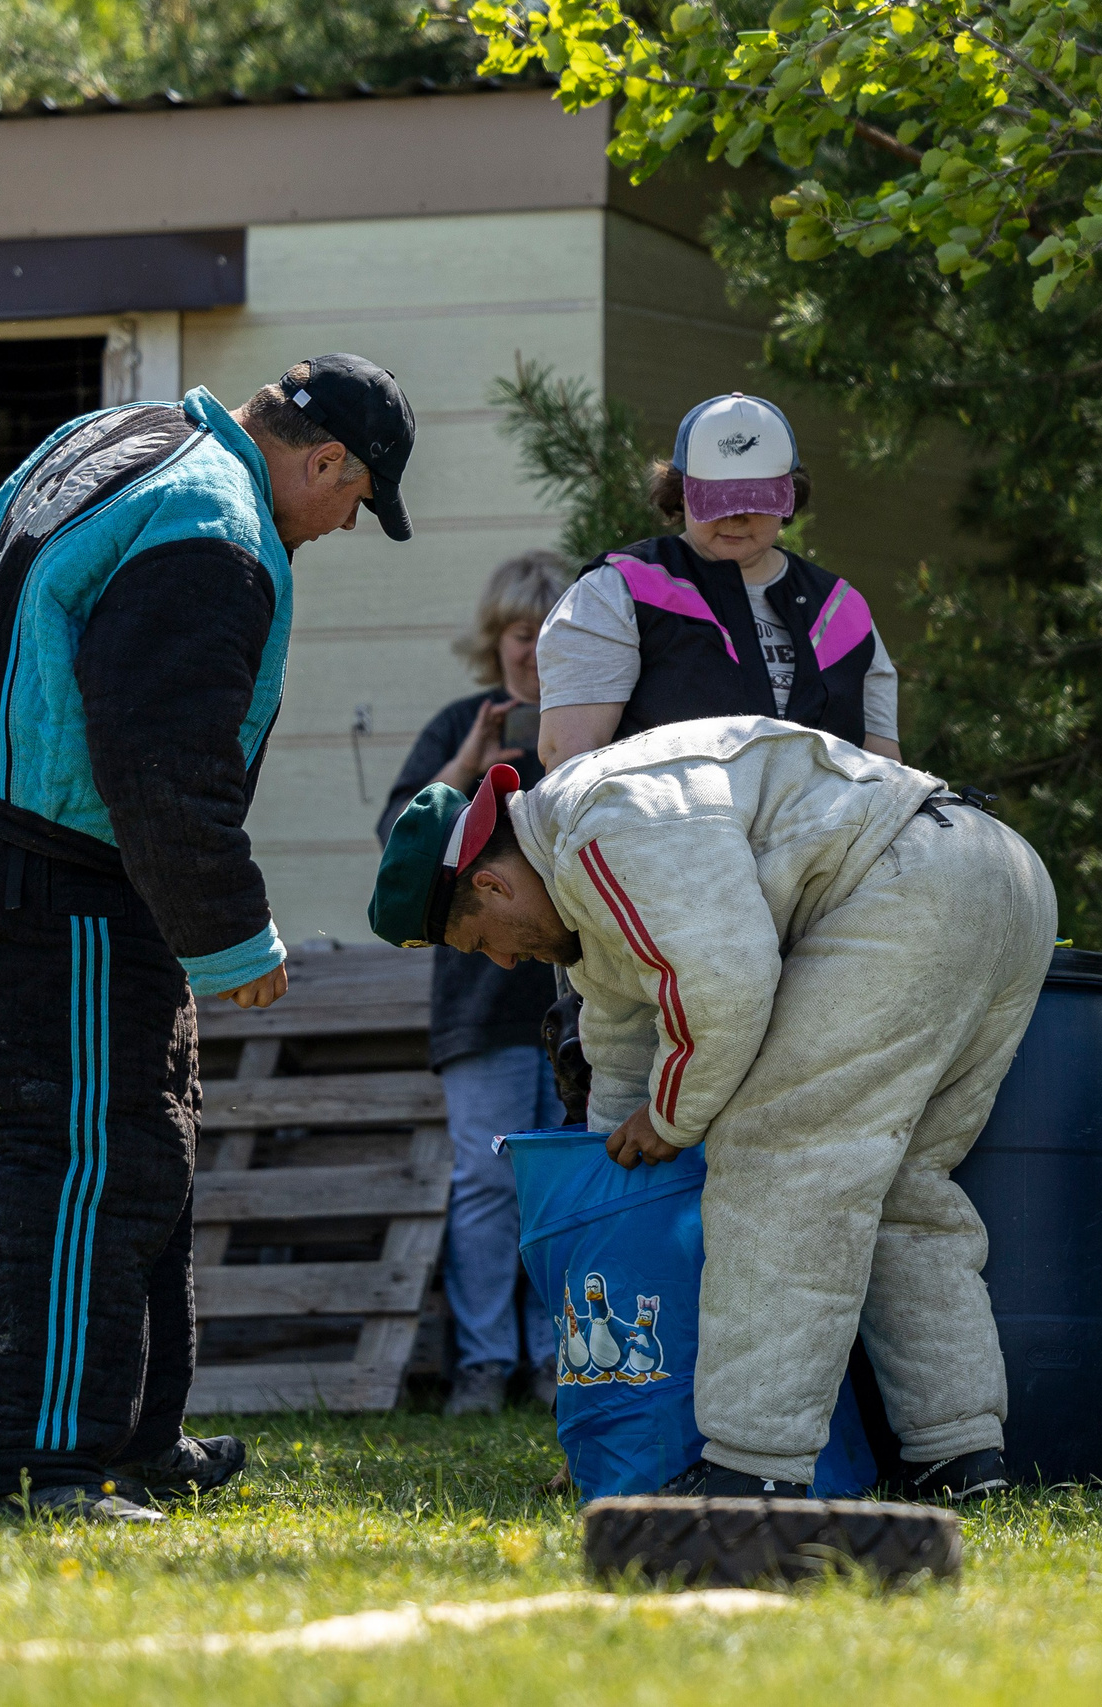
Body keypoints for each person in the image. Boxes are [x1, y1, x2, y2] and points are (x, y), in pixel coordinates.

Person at [0, 354, 418, 1525]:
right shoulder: (217, 532)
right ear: (327, 459)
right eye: (356, 499)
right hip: (63, 860)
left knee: (141, 1144)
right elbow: (156, 758)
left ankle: (134, 1441)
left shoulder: (126, 434)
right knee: (84, 1158)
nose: (346, 523)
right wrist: (233, 936)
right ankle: (41, 1468)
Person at [367, 716, 1057, 1501]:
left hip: (909, 883)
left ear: (490, 883)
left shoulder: (602, 826)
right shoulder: (582, 872)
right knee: (903, 1187)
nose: (502, 960)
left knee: (777, 1161)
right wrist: (614, 1181)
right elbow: (625, 1047)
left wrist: (668, 1121)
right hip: (996, 874)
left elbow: (726, 989)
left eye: (480, 938)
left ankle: (752, 1469)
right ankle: (956, 1452)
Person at [376, 549, 574, 1417]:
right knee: (489, 1184)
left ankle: (563, 1358)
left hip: (572, 1004)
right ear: (494, 640)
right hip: (481, 1006)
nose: (532, 653)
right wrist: (469, 759)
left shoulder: (588, 723)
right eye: (520, 634)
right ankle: (485, 1363)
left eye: (551, 634)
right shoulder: (464, 720)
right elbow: (398, 841)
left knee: (564, 1179)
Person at [534, 392, 904, 771]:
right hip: (661, 827)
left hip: (827, 830)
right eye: (719, 499)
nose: (736, 518)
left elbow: (885, 773)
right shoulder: (617, 591)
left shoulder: (843, 609)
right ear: (680, 491)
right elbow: (570, 764)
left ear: (790, 495)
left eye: (755, 500)